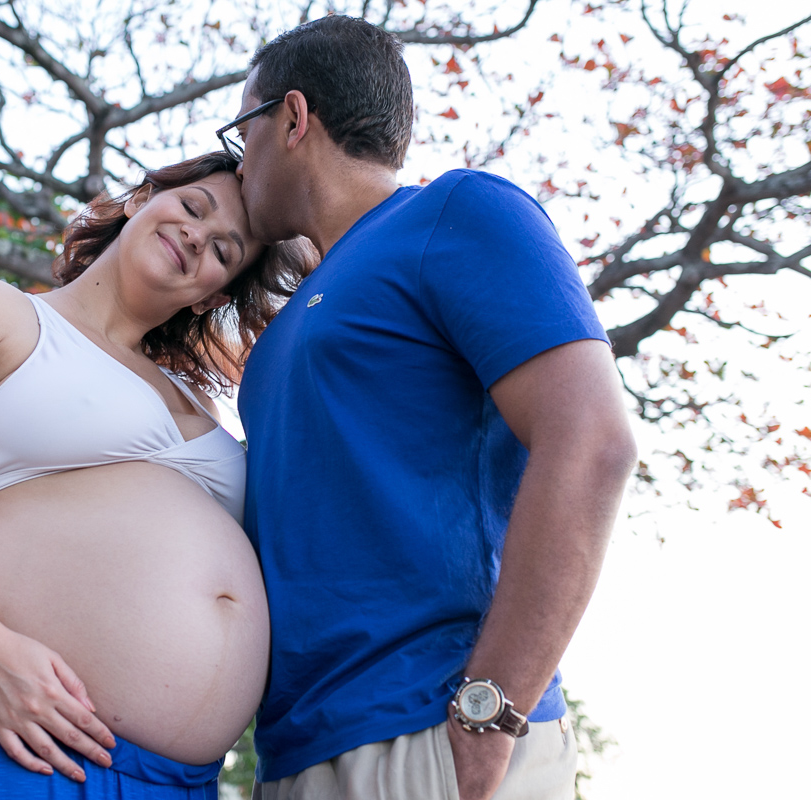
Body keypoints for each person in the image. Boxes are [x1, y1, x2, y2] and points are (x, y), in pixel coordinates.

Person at [217, 16, 639, 800]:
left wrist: (490, 713)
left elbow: (591, 442)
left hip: (434, 734)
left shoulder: (458, 211)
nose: (241, 167)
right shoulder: (287, 326)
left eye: (244, 131)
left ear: (293, 118)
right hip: (297, 752)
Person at [0, 152, 315, 800]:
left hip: (181, 780)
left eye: (224, 250)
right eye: (192, 207)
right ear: (139, 199)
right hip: (15, 726)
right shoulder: (0, 314)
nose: (197, 237)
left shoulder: (213, 410)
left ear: (213, 294)